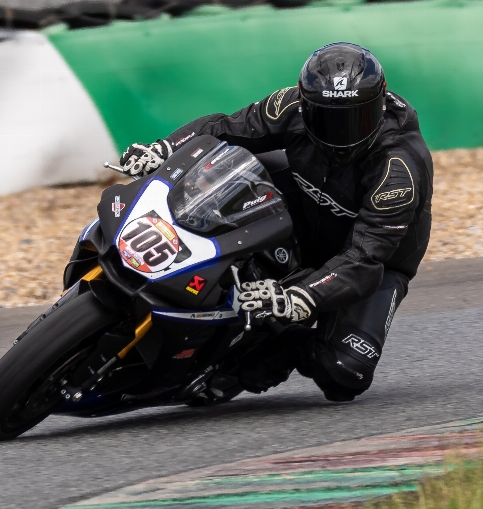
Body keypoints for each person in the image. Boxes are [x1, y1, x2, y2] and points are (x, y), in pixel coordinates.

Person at [118, 42, 433, 402]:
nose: (340, 134)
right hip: (303, 208)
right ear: (306, 103)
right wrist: (164, 149)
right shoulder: (290, 105)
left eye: (353, 120)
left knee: (346, 371)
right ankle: (164, 255)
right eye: (327, 119)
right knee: (227, 166)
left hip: (375, 262)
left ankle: (279, 346)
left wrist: (302, 296)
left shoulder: (397, 169)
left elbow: (365, 258)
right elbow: (224, 127)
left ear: (380, 104)